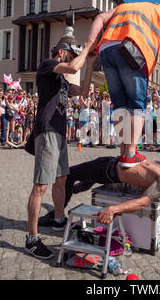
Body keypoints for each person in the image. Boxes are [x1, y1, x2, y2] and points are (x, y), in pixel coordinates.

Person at [39, 85, 160, 227]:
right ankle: (77, 189)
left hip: (107, 171)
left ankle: (57, 217)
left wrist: (114, 209)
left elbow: (144, 201)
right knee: (80, 179)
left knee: (68, 175)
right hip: (111, 165)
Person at [24, 34, 97, 260]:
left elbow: (84, 92)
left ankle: (58, 219)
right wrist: (86, 49)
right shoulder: (48, 65)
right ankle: (32, 238)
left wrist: (91, 62)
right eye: (71, 54)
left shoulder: (62, 80)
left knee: (62, 178)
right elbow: (74, 67)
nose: (73, 59)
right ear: (61, 52)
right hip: (47, 130)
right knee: (41, 185)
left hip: (59, 133)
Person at [87, 2, 160, 168]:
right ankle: (130, 154)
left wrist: (91, 44)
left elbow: (99, 18)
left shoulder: (122, 8)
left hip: (106, 48)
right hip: (131, 48)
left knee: (121, 105)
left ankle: (123, 152)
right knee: (137, 104)